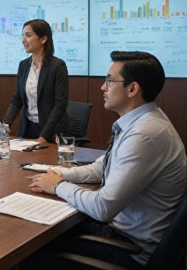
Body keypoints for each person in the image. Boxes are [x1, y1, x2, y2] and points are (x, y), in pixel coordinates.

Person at [28, 51, 186, 267]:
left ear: (132, 89)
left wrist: (58, 186)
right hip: (122, 233)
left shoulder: (145, 134)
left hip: (130, 250)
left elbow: (103, 207)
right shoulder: (143, 122)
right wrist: (61, 174)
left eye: (109, 81)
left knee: (33, 252)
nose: (103, 87)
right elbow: (104, 166)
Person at [0, 19, 68, 143]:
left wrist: (43, 137)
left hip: (51, 132)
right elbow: (17, 99)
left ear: (43, 39)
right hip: (28, 129)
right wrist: (4, 125)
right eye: (23, 36)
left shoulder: (58, 66)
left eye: (28, 35)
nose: (23, 40)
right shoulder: (23, 65)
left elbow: (60, 105)